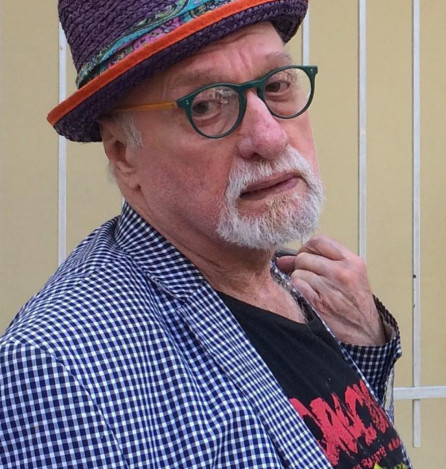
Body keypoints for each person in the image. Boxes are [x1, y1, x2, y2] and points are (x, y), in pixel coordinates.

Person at [0, 1, 411, 468]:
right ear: (122, 152)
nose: (270, 138)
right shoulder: (61, 368)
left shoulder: (283, 279)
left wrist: (363, 349)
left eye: (276, 85)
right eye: (206, 105)